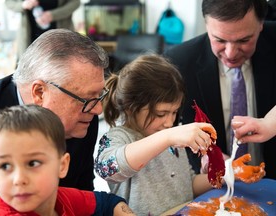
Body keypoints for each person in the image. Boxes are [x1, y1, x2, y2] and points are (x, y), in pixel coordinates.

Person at [0, 28, 109, 215]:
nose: (97, 109)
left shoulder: (83, 116)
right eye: (86, 98)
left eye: (98, 95)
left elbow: (83, 192)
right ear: (39, 92)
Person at [94, 54, 219, 215]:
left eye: (174, 112)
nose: (169, 122)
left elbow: (189, 184)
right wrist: (168, 137)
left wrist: (225, 174)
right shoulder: (119, 137)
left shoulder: (170, 138)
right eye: (161, 114)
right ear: (131, 108)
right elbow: (107, 169)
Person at [164, 0, 276, 179]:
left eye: (244, 40)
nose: (231, 53)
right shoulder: (179, 62)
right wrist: (204, 155)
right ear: (206, 25)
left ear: (261, 24)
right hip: (214, 186)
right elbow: (166, 130)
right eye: (219, 40)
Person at [0, 104, 135, 215]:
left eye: (32, 163)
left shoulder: (60, 196)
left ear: (62, 165)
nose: (18, 179)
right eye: (5, 166)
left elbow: (107, 203)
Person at [5, 0, 80, 58]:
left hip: (60, 36)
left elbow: (75, 3)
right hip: (30, 37)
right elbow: (8, 2)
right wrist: (22, 5)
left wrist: (53, 15)